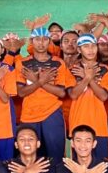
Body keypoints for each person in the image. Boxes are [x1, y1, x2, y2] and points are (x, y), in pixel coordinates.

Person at [16, 24, 72, 160]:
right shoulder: (22, 63)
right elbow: (21, 92)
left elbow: (61, 93)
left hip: (52, 113)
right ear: (32, 41)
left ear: (49, 41)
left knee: (55, 156)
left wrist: (36, 81)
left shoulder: (58, 63)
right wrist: (42, 81)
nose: (41, 43)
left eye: (45, 39)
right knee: (30, 156)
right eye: (37, 39)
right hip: (29, 114)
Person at [65, 34, 108, 161]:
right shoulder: (72, 70)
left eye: (93, 46)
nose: (91, 50)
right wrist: (87, 78)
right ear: (79, 49)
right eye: (86, 46)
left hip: (99, 126)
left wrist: (89, 78)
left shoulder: (104, 69)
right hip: (78, 124)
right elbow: (73, 94)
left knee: (103, 165)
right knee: (78, 166)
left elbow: (103, 96)